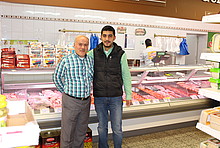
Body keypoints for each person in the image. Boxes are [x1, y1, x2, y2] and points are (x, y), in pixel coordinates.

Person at [88, 25, 132, 148]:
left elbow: (126, 75)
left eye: (110, 36)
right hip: (99, 97)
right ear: (101, 37)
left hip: (116, 97)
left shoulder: (121, 54)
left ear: (114, 37)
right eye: (104, 36)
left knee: (117, 128)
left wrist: (129, 94)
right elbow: (85, 67)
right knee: (102, 128)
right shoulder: (93, 53)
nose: (107, 39)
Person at [53, 35, 93, 148]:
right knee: (67, 133)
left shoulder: (90, 60)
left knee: (81, 131)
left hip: (85, 101)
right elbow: (56, 77)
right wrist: (65, 91)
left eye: (85, 45)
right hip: (71, 101)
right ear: (74, 45)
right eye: (80, 44)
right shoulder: (66, 60)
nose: (82, 47)